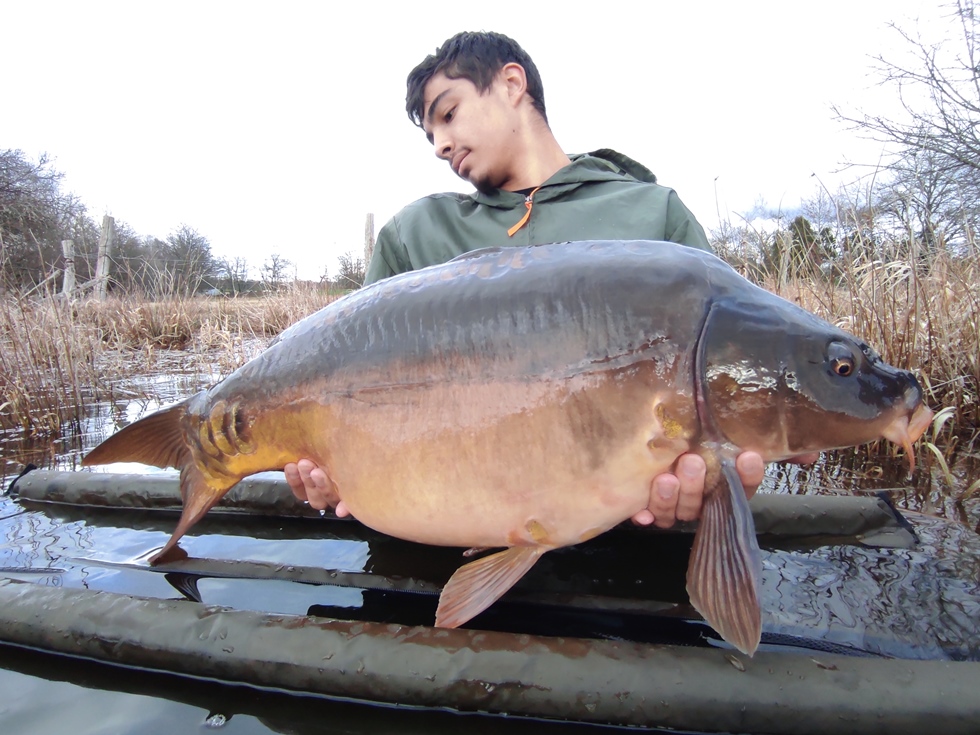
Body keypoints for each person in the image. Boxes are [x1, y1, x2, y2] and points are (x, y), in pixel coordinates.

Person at [285, 31, 814, 528]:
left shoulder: (652, 217)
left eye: (449, 114)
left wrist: (731, 467)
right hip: (436, 547)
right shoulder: (414, 234)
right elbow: (343, 386)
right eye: (431, 135)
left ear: (513, 84)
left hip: (623, 553)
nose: (441, 144)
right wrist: (335, 471)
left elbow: (733, 380)